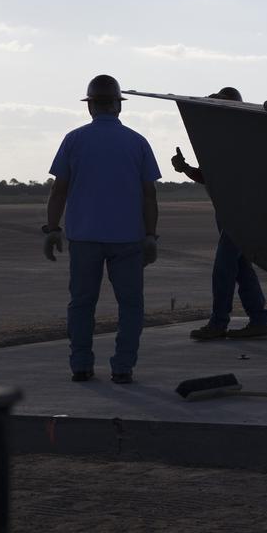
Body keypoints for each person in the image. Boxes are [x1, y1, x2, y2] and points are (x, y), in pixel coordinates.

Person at [44, 74, 161, 383]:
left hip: (84, 238)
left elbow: (59, 190)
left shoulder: (74, 140)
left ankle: (80, 365)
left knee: (82, 304)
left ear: (90, 106)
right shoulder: (137, 142)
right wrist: (151, 235)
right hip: (128, 239)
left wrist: (52, 228)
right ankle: (123, 367)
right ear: (118, 106)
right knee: (131, 305)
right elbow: (150, 194)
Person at [172, 87, 267, 340]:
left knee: (224, 269)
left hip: (240, 214)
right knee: (241, 269)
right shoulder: (227, 142)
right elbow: (212, 177)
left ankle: (219, 323)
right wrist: (185, 169)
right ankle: (259, 319)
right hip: (231, 214)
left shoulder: (241, 142)